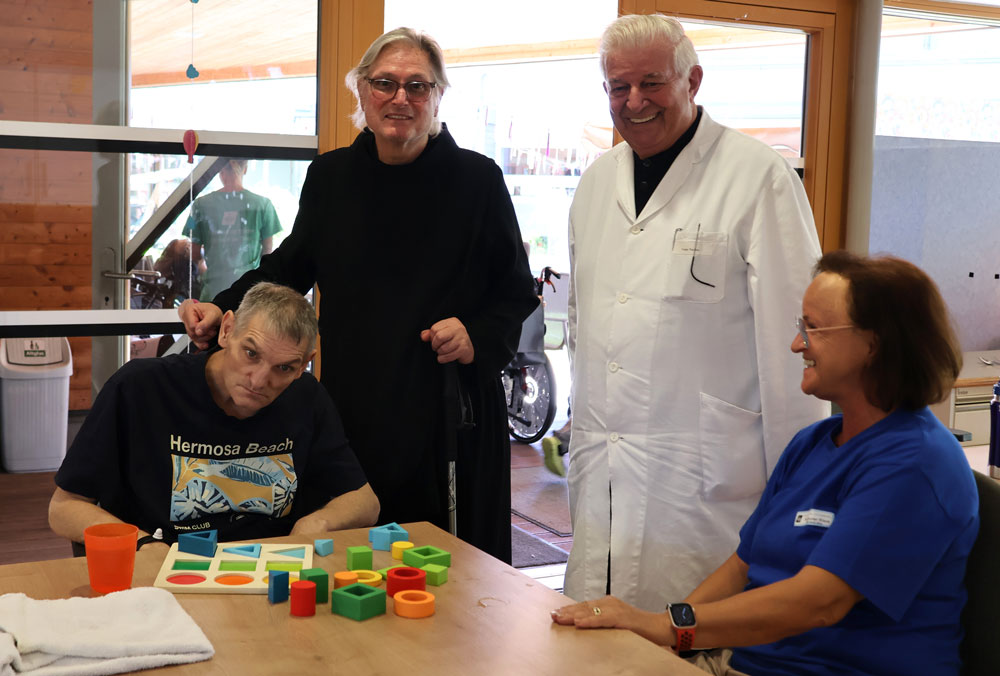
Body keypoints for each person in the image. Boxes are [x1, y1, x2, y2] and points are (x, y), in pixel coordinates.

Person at [178, 28, 537, 563]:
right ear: (362, 92)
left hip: (446, 409)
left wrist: (476, 335)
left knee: (451, 572)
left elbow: (515, 290)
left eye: (418, 85)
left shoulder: (477, 180)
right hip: (356, 403)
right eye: (385, 83)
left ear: (438, 96)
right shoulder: (332, 176)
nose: (400, 97)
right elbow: (288, 267)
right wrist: (223, 305)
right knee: (353, 557)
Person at [553, 251, 978, 676]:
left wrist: (667, 626)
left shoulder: (915, 463)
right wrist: (669, 638)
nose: (797, 344)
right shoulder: (813, 444)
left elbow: (819, 602)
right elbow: (741, 566)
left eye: (813, 328)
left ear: (873, 345)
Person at [564, 13, 829, 610]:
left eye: (652, 83)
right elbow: (582, 327)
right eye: (618, 86)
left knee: (694, 632)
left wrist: (801, 495)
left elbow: (798, 348)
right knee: (596, 632)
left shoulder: (757, 178)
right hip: (604, 467)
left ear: (693, 80)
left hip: (707, 483)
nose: (635, 101)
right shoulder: (595, 184)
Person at [49, 282, 380, 550]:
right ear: (227, 330)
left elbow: (365, 502)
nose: (259, 380)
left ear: (304, 364)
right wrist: (140, 544)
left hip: (270, 577)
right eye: (251, 353)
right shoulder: (139, 388)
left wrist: (317, 522)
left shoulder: (306, 397)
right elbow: (63, 508)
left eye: (284, 368)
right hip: (161, 575)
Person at [183, 158, 282, 301]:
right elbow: (267, 253)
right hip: (248, 295)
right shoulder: (263, 205)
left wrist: (204, 265)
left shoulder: (199, 205)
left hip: (213, 294)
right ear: (245, 169)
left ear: (221, 172)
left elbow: (194, 252)